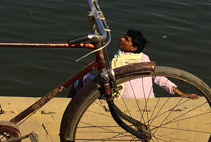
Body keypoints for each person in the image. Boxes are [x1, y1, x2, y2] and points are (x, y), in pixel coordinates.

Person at [71, 29, 199, 99]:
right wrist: (182, 94)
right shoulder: (144, 58)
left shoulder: (119, 61)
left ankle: (69, 105)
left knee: (80, 80)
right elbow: (159, 78)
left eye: (126, 39)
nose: (122, 39)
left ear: (133, 48)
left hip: (123, 101)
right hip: (147, 101)